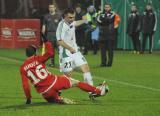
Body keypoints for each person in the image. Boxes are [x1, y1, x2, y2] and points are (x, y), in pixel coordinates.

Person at [20, 40, 108, 104]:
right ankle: (99, 91)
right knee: (76, 82)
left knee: (52, 100)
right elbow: (50, 53)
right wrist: (47, 42)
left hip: (45, 92)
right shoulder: (38, 59)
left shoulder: (23, 68)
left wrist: (28, 98)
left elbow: (25, 85)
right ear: (35, 52)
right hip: (55, 82)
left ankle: (58, 99)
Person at [56, 8, 94, 86]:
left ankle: (92, 91)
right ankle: (57, 91)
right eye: (70, 17)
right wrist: (70, 48)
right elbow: (59, 41)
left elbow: (76, 23)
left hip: (75, 50)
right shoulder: (62, 26)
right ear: (65, 16)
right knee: (68, 76)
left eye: (73, 17)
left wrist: (84, 20)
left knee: (85, 67)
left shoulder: (72, 22)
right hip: (65, 52)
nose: (72, 19)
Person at [97, 3, 120, 67]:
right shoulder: (100, 14)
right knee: (102, 50)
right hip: (102, 34)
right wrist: (104, 21)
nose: (106, 8)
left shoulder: (113, 14)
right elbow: (98, 21)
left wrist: (103, 21)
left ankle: (109, 63)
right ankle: (103, 63)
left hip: (110, 35)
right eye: (105, 7)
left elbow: (109, 20)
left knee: (110, 50)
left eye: (108, 7)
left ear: (110, 8)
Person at [42, 3, 61, 67]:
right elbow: (44, 26)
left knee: (60, 49)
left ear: (55, 8)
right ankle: (52, 63)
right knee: (51, 50)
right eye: (50, 7)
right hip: (49, 34)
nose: (51, 8)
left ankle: (61, 63)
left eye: (52, 7)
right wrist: (43, 35)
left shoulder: (59, 16)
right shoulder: (46, 16)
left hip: (58, 34)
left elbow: (62, 26)